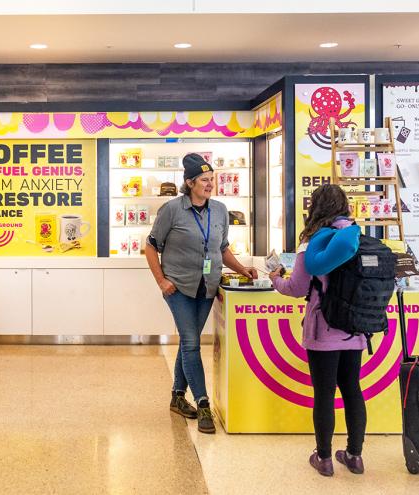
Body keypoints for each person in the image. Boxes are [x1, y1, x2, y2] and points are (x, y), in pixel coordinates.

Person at [146, 153, 257, 434]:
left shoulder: (220, 210)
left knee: (189, 342)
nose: (210, 184)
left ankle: (177, 396)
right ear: (189, 183)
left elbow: (222, 248)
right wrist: (161, 281)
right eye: (204, 180)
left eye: (211, 179)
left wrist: (242, 269)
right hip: (178, 287)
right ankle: (203, 403)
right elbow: (151, 246)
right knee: (191, 342)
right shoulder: (172, 210)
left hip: (207, 287)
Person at [269, 184, 366, 477]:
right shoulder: (357, 238)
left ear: (315, 208)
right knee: (352, 389)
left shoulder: (312, 243)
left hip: (323, 328)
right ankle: (355, 456)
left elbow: (297, 287)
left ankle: (323, 458)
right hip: (354, 327)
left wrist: (275, 279)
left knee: (324, 393)